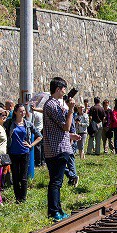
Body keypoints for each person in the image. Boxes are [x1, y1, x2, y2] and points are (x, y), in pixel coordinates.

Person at [43, 77, 80, 221]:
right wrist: (71, 109)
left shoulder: (51, 104)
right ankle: (54, 211)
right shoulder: (53, 105)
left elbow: (58, 129)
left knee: (56, 182)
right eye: (64, 88)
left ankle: (56, 209)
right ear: (58, 89)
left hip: (55, 147)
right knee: (56, 182)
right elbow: (66, 125)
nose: (65, 91)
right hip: (57, 149)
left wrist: (70, 135)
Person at [6, 104, 43, 203]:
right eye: (20, 111)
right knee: (15, 176)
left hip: (24, 153)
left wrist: (31, 145)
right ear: (15, 112)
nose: (23, 113)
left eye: (24, 111)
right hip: (13, 153)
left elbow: (39, 136)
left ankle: (23, 198)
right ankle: (17, 197)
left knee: (23, 177)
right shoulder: (10, 123)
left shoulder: (28, 124)